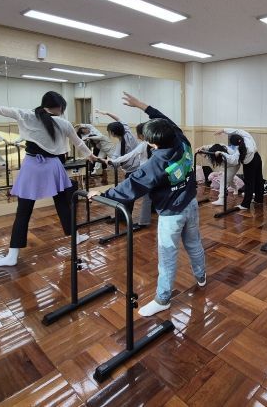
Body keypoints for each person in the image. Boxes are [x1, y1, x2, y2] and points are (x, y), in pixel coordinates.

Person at [0, 85, 97, 267]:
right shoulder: (64, 123)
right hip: (54, 167)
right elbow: (79, 144)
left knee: (23, 211)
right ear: (60, 107)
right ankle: (75, 237)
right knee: (63, 205)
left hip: (32, 167)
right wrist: (91, 156)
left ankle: (12, 255)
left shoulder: (26, 115)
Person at [88, 92, 205, 317]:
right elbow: (164, 118)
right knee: (193, 244)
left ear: (152, 143)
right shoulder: (181, 138)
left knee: (168, 257)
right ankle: (201, 276)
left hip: (171, 215)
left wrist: (101, 193)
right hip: (191, 203)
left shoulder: (156, 163)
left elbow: (130, 187)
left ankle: (163, 299)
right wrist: (141, 105)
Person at [106, 122, 153, 226]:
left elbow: (130, 155)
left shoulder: (143, 144)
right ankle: (130, 218)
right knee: (147, 197)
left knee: (136, 195)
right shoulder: (129, 135)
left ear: (142, 134)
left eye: (138, 133)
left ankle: (142, 222)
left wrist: (112, 161)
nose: (136, 135)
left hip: (142, 173)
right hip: (146, 172)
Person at [214, 128, 264, 210]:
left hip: (249, 164)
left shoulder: (239, 150)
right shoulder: (247, 137)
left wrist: (221, 153)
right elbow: (238, 130)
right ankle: (259, 199)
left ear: (235, 145)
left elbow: (233, 160)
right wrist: (223, 130)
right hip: (257, 158)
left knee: (249, 183)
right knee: (259, 179)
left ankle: (245, 205)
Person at [96, 109, 139, 175]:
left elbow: (114, 162)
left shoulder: (120, 146)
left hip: (131, 170)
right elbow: (119, 119)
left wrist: (102, 160)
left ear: (113, 133)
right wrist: (107, 113)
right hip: (140, 165)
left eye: (109, 131)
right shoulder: (128, 132)